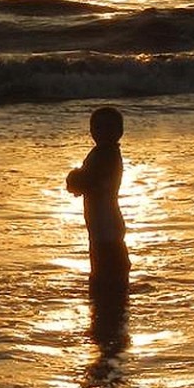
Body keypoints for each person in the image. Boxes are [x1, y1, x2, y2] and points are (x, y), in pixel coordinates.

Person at [65, 104, 130, 292]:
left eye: (109, 127)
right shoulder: (101, 153)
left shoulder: (107, 155)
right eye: (99, 127)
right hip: (101, 221)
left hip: (106, 220)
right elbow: (85, 181)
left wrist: (74, 178)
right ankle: (109, 290)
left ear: (120, 131)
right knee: (103, 257)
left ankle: (112, 293)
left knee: (109, 259)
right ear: (91, 131)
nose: (103, 132)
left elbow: (89, 181)